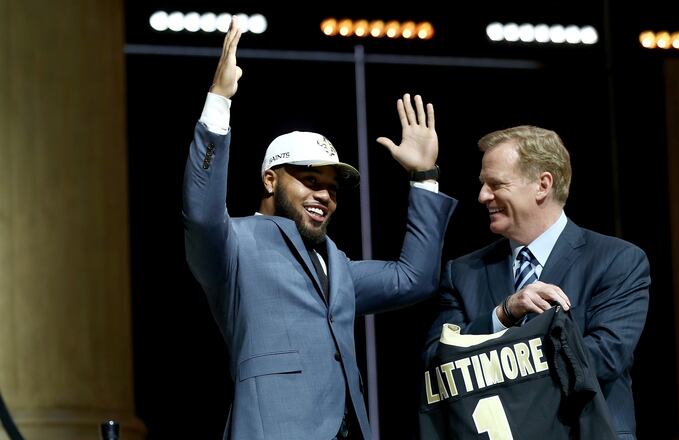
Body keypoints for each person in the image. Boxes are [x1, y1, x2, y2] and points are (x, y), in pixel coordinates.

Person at [183, 17, 457, 439]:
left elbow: (413, 279)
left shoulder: (338, 264)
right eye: (310, 181)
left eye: (331, 188)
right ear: (270, 181)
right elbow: (201, 213)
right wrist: (219, 101)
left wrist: (424, 177)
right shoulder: (234, 244)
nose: (324, 196)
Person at [423, 125, 650, 439]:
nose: (482, 196)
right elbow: (436, 362)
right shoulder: (462, 273)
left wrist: (503, 362)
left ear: (542, 185)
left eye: (496, 184)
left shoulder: (616, 261)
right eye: (482, 184)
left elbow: (604, 359)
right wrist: (502, 315)